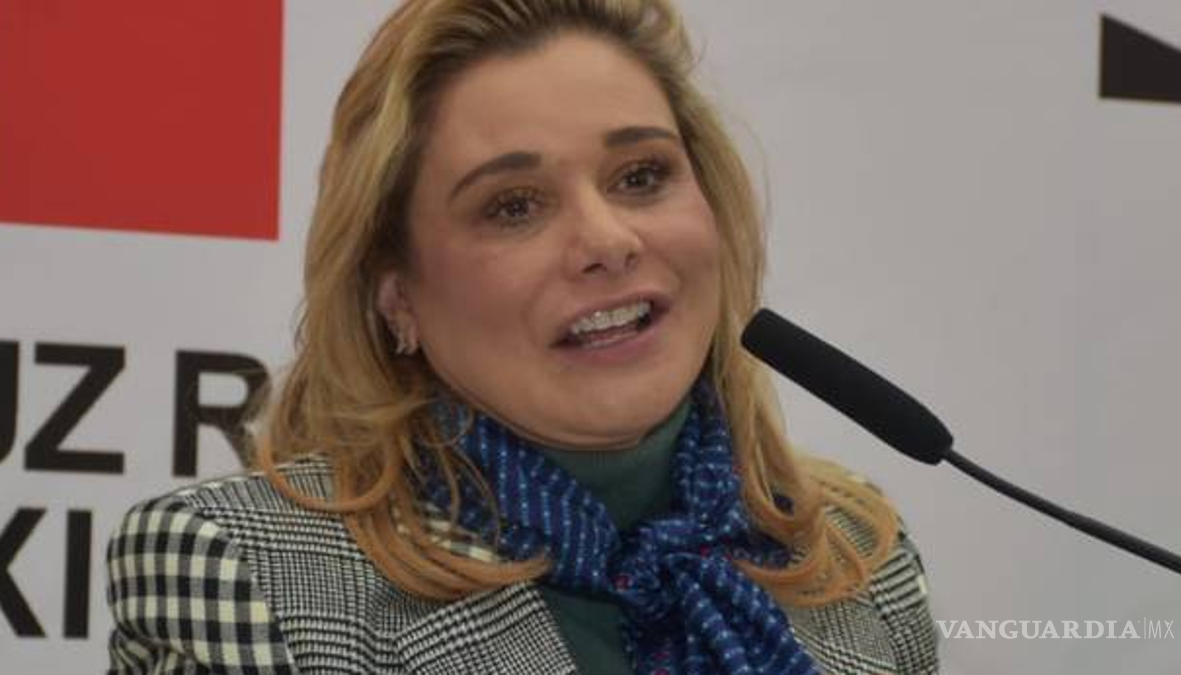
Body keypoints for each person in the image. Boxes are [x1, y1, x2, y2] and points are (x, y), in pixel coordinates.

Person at [105, 0, 939, 673]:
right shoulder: (247, 574)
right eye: (514, 206)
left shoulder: (858, 556)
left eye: (641, 175)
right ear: (398, 295)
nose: (608, 240)